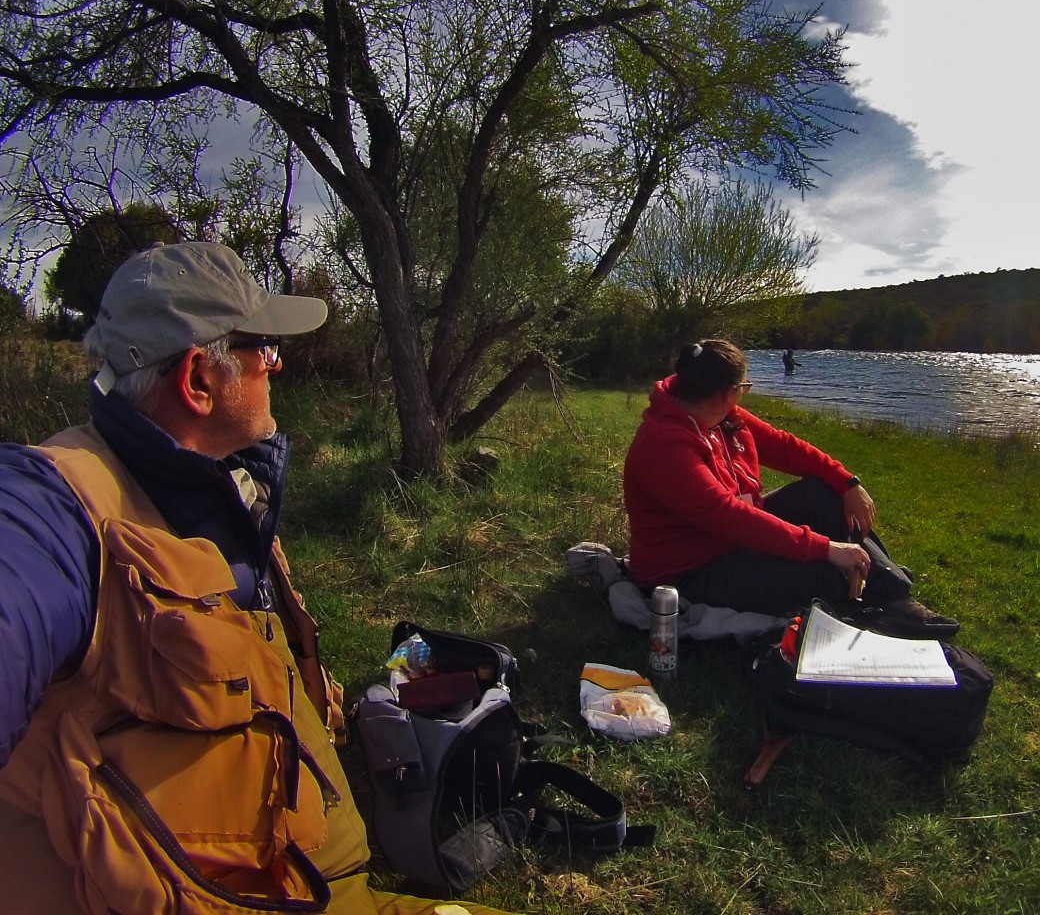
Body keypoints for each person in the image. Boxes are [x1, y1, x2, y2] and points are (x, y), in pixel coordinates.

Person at [0, 242, 510, 915]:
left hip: (307, 871)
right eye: (264, 346)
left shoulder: (224, 488)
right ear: (199, 381)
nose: (278, 362)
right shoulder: (49, 510)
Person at [623, 339, 958, 637]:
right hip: (691, 571)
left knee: (822, 492)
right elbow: (728, 516)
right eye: (744, 386)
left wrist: (847, 482)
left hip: (731, 542)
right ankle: (876, 588)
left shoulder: (722, 414)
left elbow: (783, 446)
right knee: (825, 574)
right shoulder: (666, 446)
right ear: (729, 392)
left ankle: (889, 590)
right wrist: (827, 548)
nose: (743, 394)